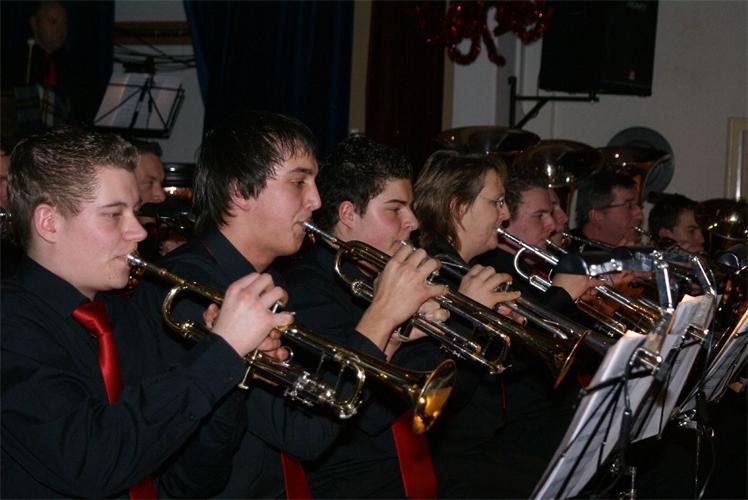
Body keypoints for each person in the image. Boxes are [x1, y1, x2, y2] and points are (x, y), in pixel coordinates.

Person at [135, 114, 446, 498]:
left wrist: (392, 334)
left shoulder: (272, 280)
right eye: (299, 182)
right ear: (240, 191)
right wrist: (381, 317)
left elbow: (325, 404)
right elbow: (305, 433)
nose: (316, 201)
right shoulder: (188, 288)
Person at [1, 127, 289, 497]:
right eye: (113, 215)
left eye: (135, 212)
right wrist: (220, 353)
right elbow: (92, 462)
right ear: (49, 223)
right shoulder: (10, 322)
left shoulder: (125, 316)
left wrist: (234, 368)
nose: (138, 231)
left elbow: (191, 482)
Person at [414, 150, 583, 497]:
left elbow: (509, 362)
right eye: (497, 202)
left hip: (484, 442)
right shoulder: (435, 273)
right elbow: (448, 390)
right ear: (459, 207)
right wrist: (560, 299)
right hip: (452, 456)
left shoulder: (471, 268)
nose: (505, 214)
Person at [572, 171, 644, 247]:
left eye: (639, 205)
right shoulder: (571, 252)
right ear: (597, 216)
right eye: (629, 206)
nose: (640, 215)